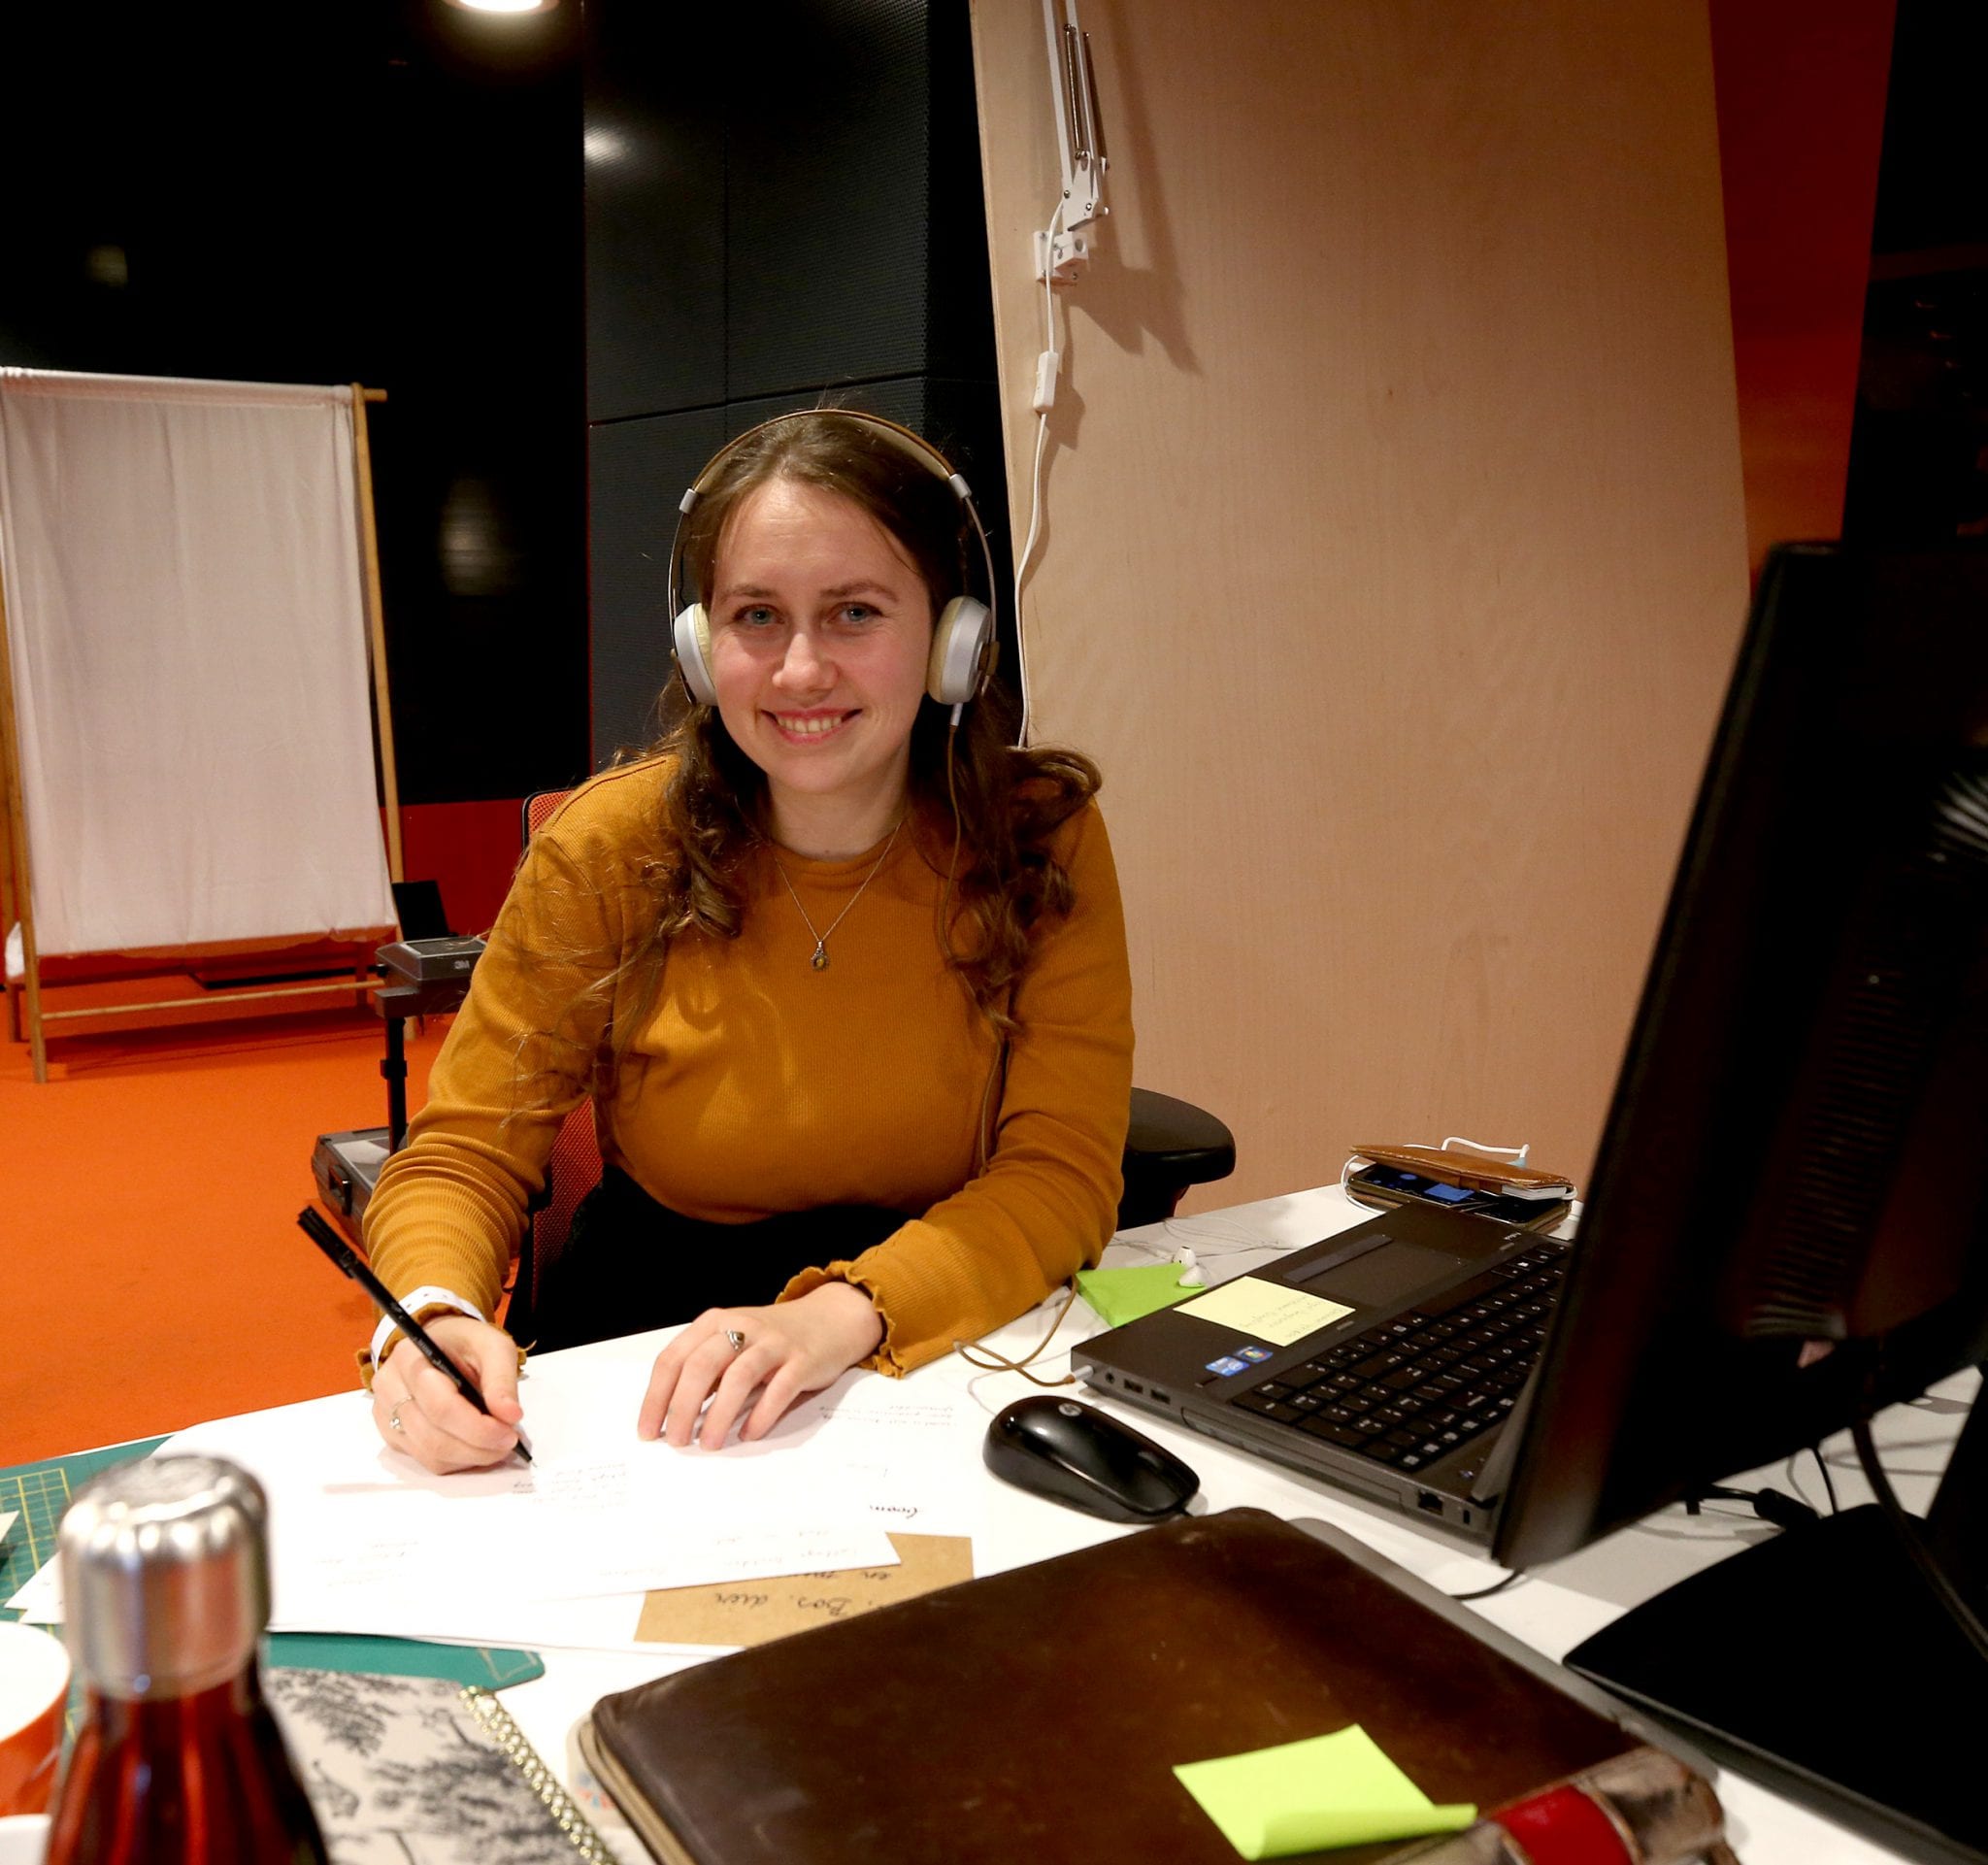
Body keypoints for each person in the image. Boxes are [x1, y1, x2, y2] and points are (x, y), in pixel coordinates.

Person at [358, 410, 1135, 1474]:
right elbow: (463, 1151)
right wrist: (432, 1312)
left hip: (937, 1313)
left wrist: (839, 1315)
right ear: (700, 645)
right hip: (653, 1345)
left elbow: (1061, 1169)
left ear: (953, 639)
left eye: (854, 613)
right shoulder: (608, 847)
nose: (800, 670)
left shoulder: (1036, 840)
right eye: (757, 616)